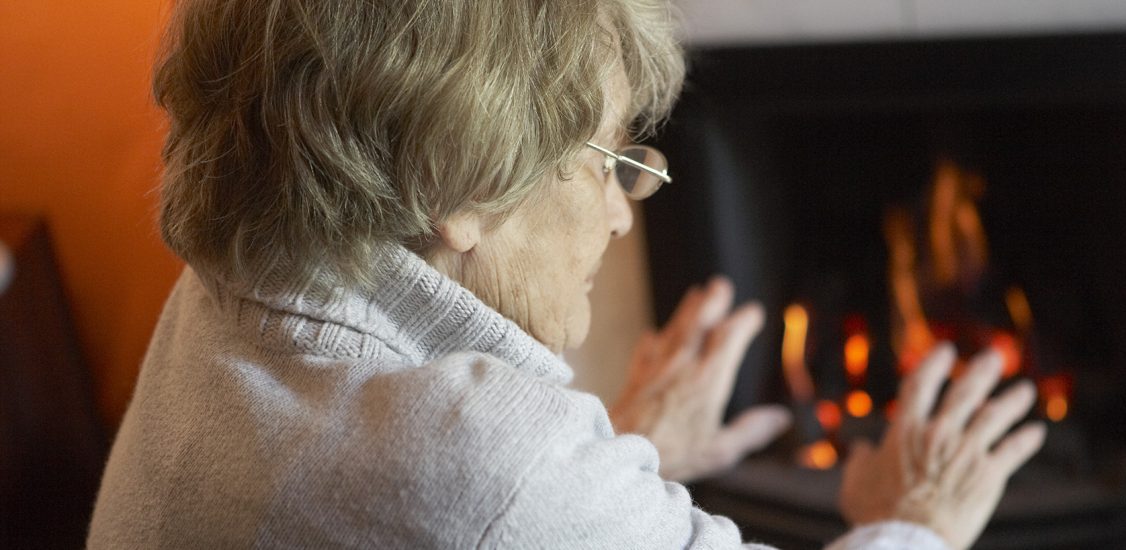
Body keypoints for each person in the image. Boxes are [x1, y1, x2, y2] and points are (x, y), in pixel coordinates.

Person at [88, 0, 1046, 548]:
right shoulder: (484, 457)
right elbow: (477, 497)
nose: (625, 208)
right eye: (608, 159)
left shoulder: (231, 294)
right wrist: (916, 517)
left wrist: (629, 455)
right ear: (450, 183)